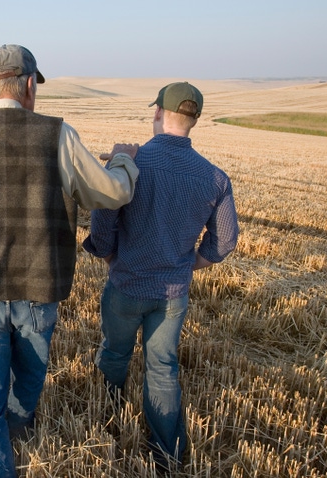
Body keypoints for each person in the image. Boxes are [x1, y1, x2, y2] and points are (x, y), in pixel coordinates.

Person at [0, 44, 140, 478]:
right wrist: (124, 161)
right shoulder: (58, 134)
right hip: (40, 287)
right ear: (28, 85)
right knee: (28, 379)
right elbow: (112, 193)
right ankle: (20, 435)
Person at [83, 81, 239, 471]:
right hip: (172, 294)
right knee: (163, 370)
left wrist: (106, 256)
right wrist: (190, 265)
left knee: (115, 354)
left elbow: (102, 226)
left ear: (157, 113)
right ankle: (168, 453)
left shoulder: (131, 165)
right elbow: (225, 241)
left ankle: (106, 421)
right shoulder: (214, 178)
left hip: (125, 285)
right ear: (194, 122)